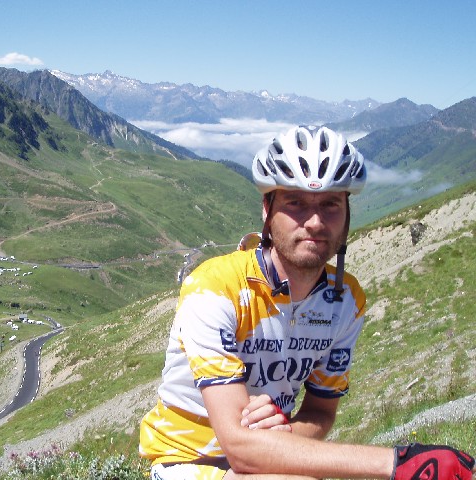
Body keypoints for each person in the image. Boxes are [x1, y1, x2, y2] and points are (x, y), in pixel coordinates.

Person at [139, 125, 475, 480]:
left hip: (266, 460)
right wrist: (397, 463)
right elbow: (239, 449)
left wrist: (280, 444)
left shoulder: (346, 300)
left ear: (347, 216)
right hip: (189, 462)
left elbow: (320, 411)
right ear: (267, 210)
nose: (315, 221)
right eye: (295, 202)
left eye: (330, 204)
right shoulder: (214, 288)